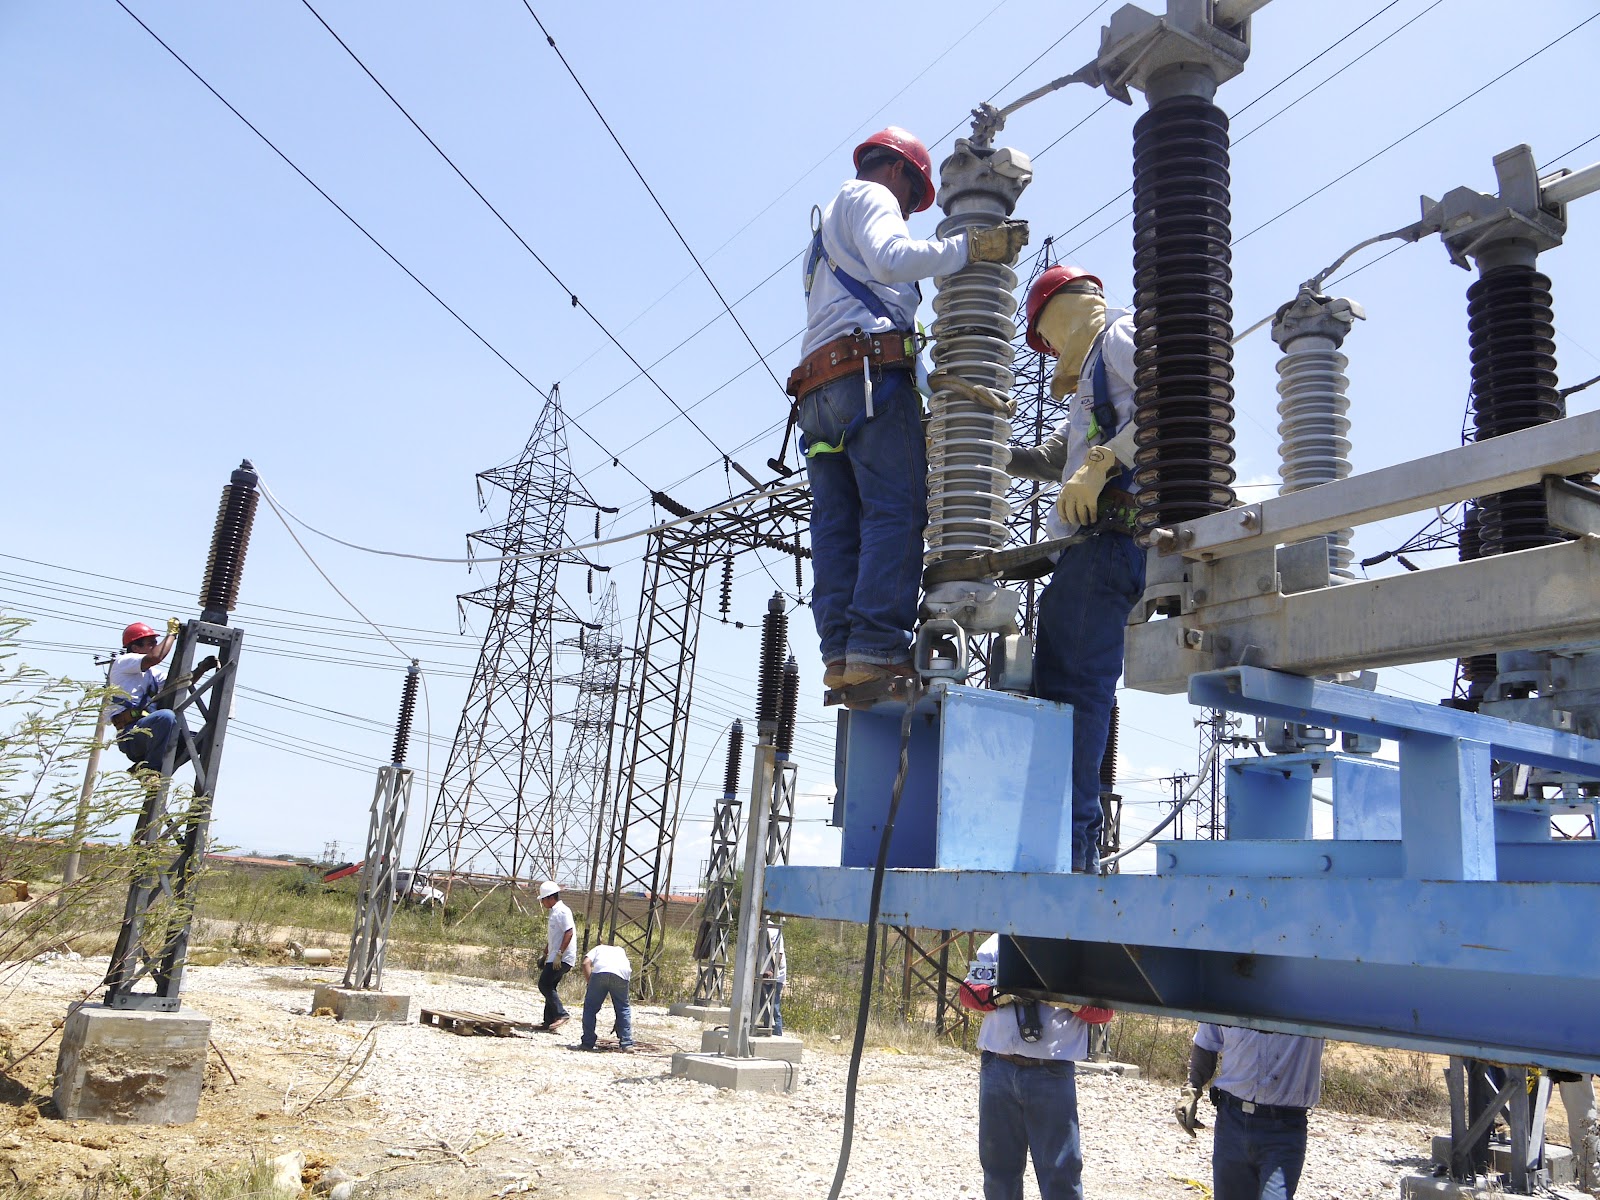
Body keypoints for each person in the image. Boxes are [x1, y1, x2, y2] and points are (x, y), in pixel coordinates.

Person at [789, 126, 1028, 693]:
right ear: (899, 173)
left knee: (837, 526)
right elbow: (894, 258)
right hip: (868, 379)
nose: (908, 212)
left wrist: (930, 380)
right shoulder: (869, 196)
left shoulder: (822, 239)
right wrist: (970, 247)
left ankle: (842, 654)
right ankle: (875, 647)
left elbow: (865, 303)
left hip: (819, 392)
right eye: (913, 200)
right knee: (894, 511)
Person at [1009, 266, 1143, 873]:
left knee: (1070, 693)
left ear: (1060, 310)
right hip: (1101, 544)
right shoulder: (1093, 378)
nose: (1051, 352)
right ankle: (1072, 841)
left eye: (1047, 338)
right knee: (1072, 687)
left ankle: (1072, 849)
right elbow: (1060, 460)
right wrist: (994, 451)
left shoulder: (1118, 337)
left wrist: (1105, 462)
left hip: (1108, 539)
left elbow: (1174, 404)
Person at [960, 933, 1114, 1200]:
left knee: (1060, 1173)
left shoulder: (1079, 948)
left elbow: (1104, 1011)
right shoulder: (997, 944)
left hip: (1051, 1073)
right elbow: (968, 992)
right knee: (998, 1173)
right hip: (999, 1067)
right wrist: (1001, 994)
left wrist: (1069, 1000)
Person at [1175, 1023, 1325, 1200]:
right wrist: (1191, 1089)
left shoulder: (1310, 1000)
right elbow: (1207, 1041)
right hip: (1231, 1123)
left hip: (1283, 1127)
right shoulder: (1228, 996)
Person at [109, 620, 180, 773]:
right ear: (135, 648)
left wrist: (201, 669)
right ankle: (150, 770)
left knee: (200, 740)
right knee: (166, 716)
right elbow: (155, 657)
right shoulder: (123, 661)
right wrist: (171, 635)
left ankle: (145, 767)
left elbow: (180, 682)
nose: (155, 646)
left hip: (150, 731)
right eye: (151, 643)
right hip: (131, 734)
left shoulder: (152, 674)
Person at [575, 942, 633, 1052]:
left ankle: (587, 1043)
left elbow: (585, 963)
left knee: (590, 1009)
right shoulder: (621, 950)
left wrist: (590, 983)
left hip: (601, 973)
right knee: (623, 1008)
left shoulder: (598, 948)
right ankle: (627, 1043)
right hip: (621, 975)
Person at [536, 881, 575, 1031]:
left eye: (543, 899)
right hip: (554, 956)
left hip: (562, 958)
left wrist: (559, 954)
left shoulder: (563, 911)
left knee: (544, 984)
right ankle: (548, 1022)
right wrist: (544, 955)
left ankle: (561, 1014)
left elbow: (569, 932)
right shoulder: (554, 912)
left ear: (550, 898)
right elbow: (554, 938)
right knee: (550, 986)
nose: (542, 902)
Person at [758, 918, 787, 1036]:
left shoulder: (773, 930)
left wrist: (771, 971)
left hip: (775, 976)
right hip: (762, 974)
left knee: (773, 1007)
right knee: (763, 1006)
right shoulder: (759, 929)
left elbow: (778, 953)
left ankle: (776, 1033)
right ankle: (767, 1031)